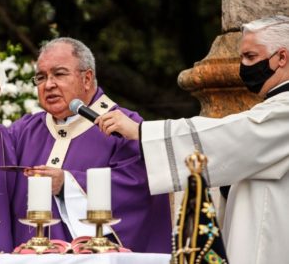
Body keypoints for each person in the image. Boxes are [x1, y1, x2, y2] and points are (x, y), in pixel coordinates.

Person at [95, 15, 289, 263]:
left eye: (250, 57)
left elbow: (228, 136)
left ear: (281, 57)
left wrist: (141, 132)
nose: (243, 66)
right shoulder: (274, 107)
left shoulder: (283, 111)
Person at [0, 37, 172, 253]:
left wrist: (68, 184)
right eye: (41, 77)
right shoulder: (25, 130)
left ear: (87, 78)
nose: (49, 84)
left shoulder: (124, 127)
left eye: (59, 74)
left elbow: (138, 189)